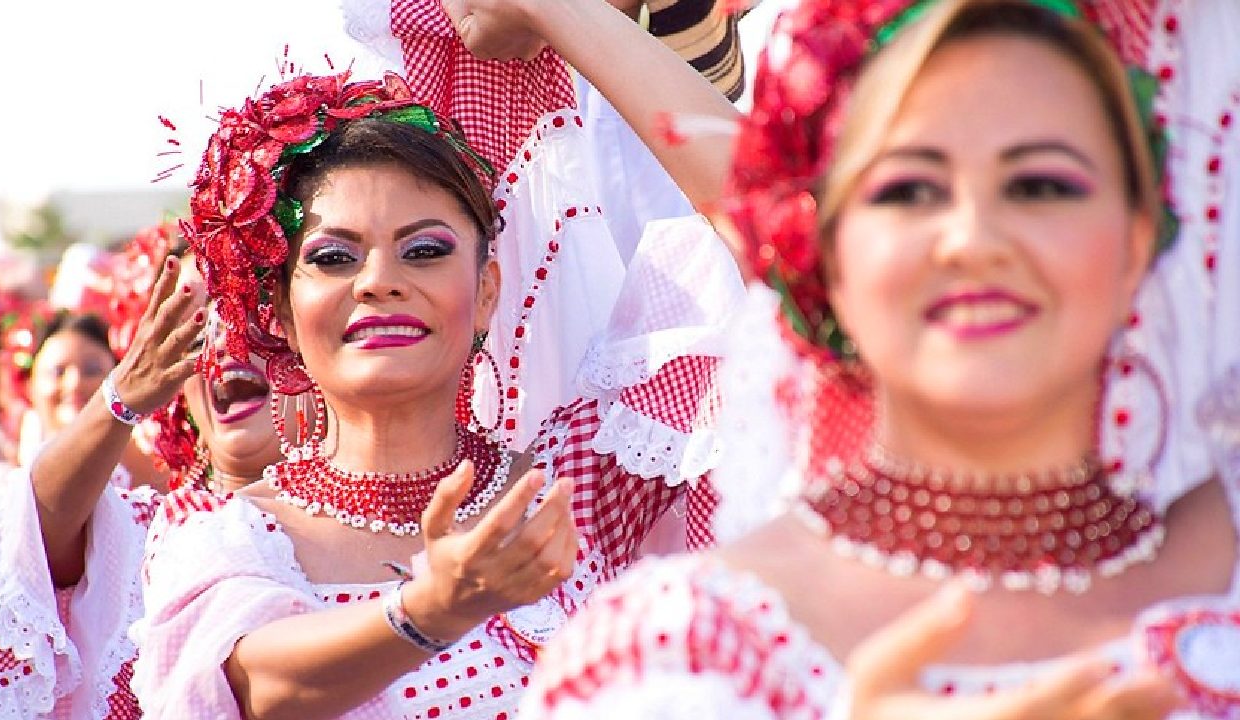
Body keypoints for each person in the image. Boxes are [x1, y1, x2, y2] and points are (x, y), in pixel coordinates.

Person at [519, 1, 1239, 718]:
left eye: (1041, 186)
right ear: (820, 248)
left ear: (1139, 237)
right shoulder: (670, 649)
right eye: (909, 190)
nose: (972, 238)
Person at [129, 0, 745, 716]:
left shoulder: (570, 493)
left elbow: (771, 217)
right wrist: (431, 610)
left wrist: (547, 7)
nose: (379, 281)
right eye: (333, 257)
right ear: (281, 314)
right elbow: (256, 685)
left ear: (487, 291)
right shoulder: (228, 535)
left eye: (424, 250)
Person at [0, 229, 289, 718]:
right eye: (194, 329)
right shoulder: (143, 533)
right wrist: (122, 399)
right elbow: (29, 531)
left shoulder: (411, 526)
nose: (225, 347)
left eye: (255, 318)